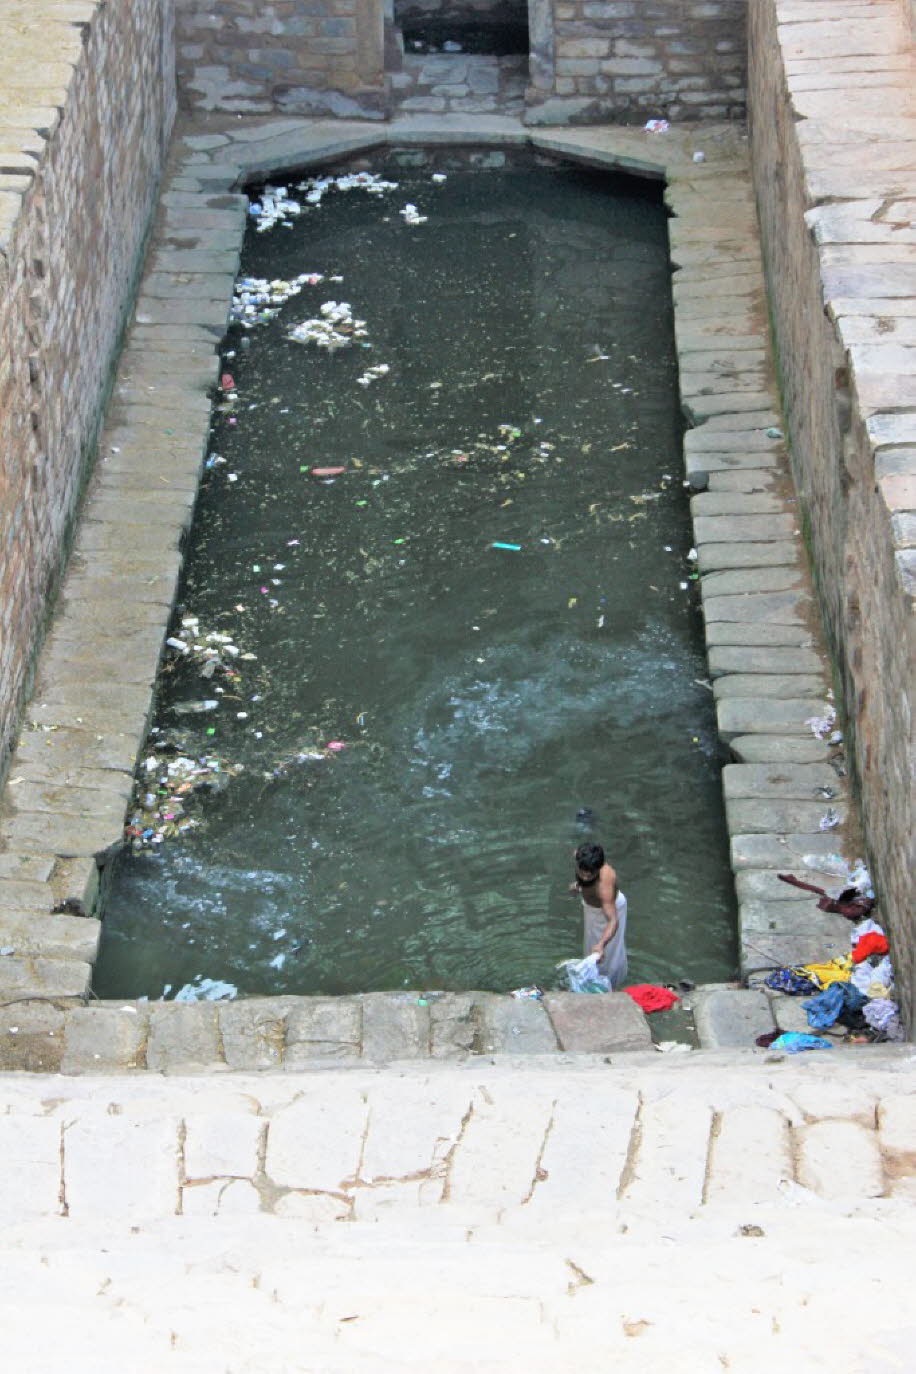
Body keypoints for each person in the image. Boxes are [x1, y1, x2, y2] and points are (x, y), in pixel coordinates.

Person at [572, 841, 628, 989]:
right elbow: (584, 879)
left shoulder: (605, 883)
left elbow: (612, 920)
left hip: (609, 913)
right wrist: (578, 885)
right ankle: (590, 981)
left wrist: (602, 944)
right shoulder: (579, 856)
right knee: (590, 951)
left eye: (589, 875)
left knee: (607, 956)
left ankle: (612, 987)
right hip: (591, 908)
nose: (584, 877)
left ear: (598, 869)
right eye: (581, 872)